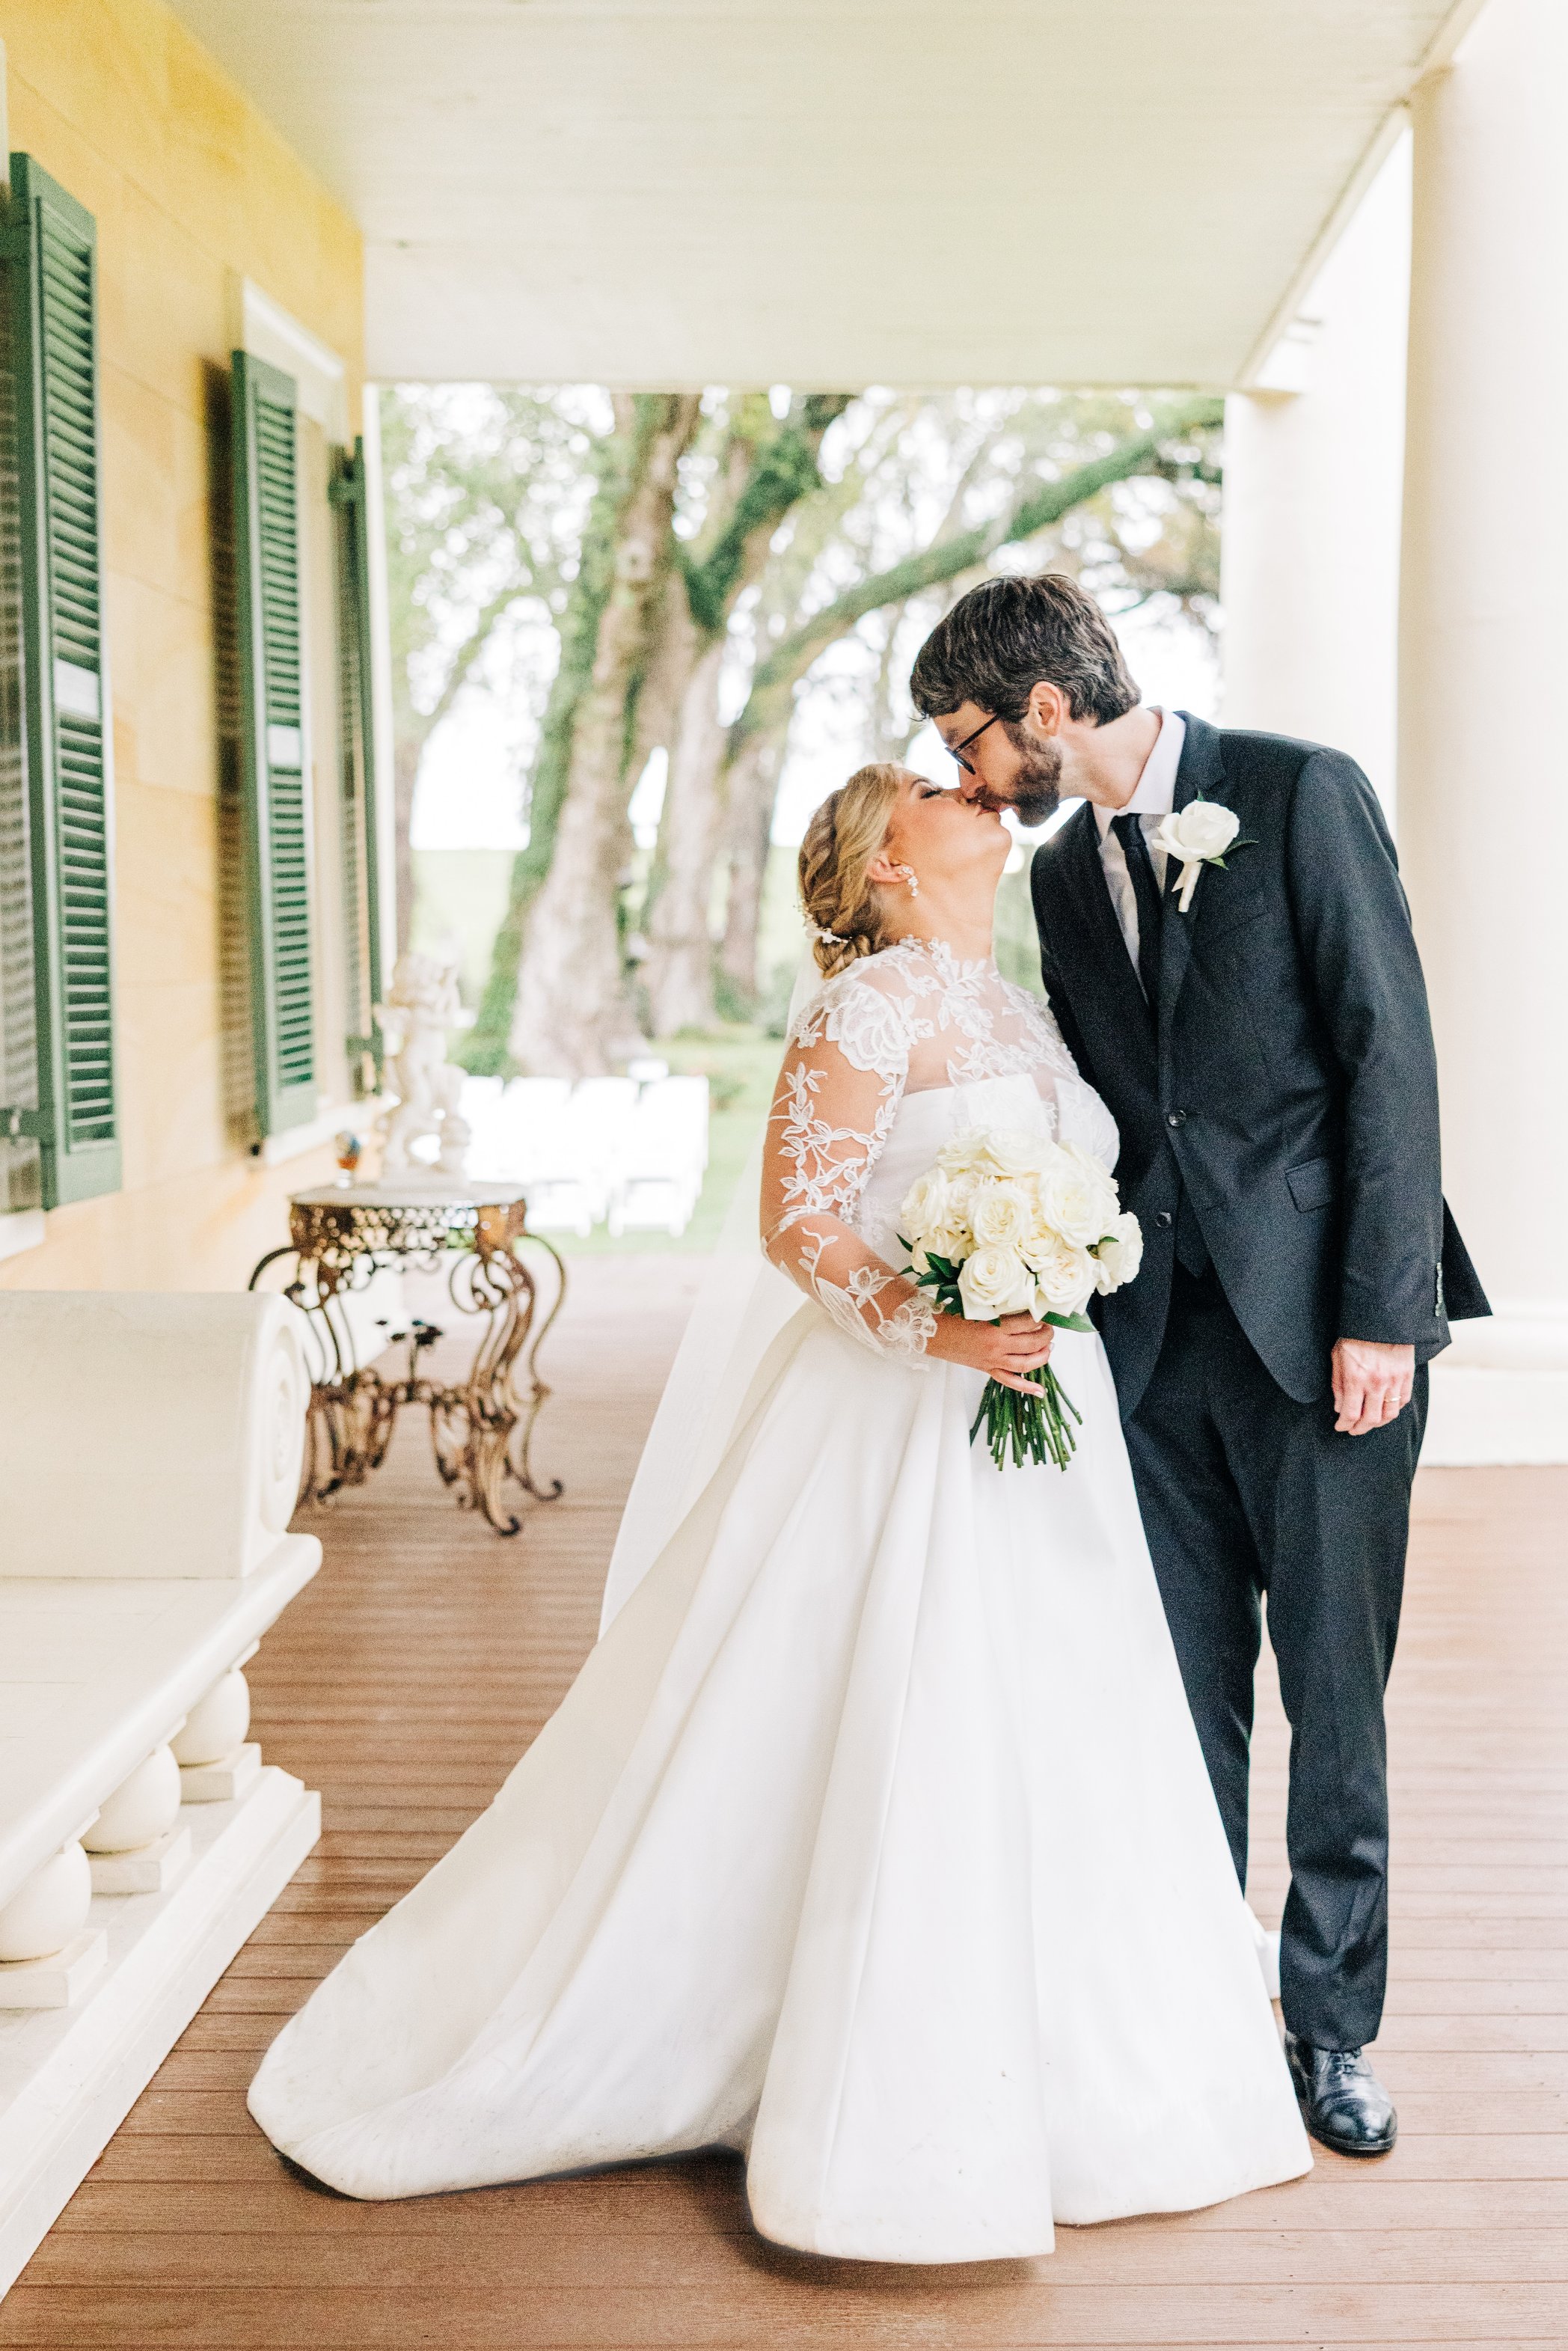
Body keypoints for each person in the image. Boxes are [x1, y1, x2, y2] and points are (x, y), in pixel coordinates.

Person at [248, 761, 1311, 2261]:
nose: (972, 786)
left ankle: (1086, 2056)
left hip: (1041, 1420)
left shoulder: (1020, 1007)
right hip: (897, 1410)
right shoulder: (860, 1010)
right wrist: (940, 1325)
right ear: (884, 860)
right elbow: (797, 1221)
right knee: (890, 1705)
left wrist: (1059, 1270)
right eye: (932, 786)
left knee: (1061, 1701)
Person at [910, 573, 1489, 2159]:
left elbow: (1388, 1054)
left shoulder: (1299, 794)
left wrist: (1382, 1312)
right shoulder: (1058, 876)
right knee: (1177, 1699)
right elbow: (1104, 1101)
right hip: (1150, 1351)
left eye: (969, 738)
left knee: (1334, 1700)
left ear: (1044, 707)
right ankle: (1195, 2007)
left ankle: (1331, 2029)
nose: (969, 775)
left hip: (1325, 1340)